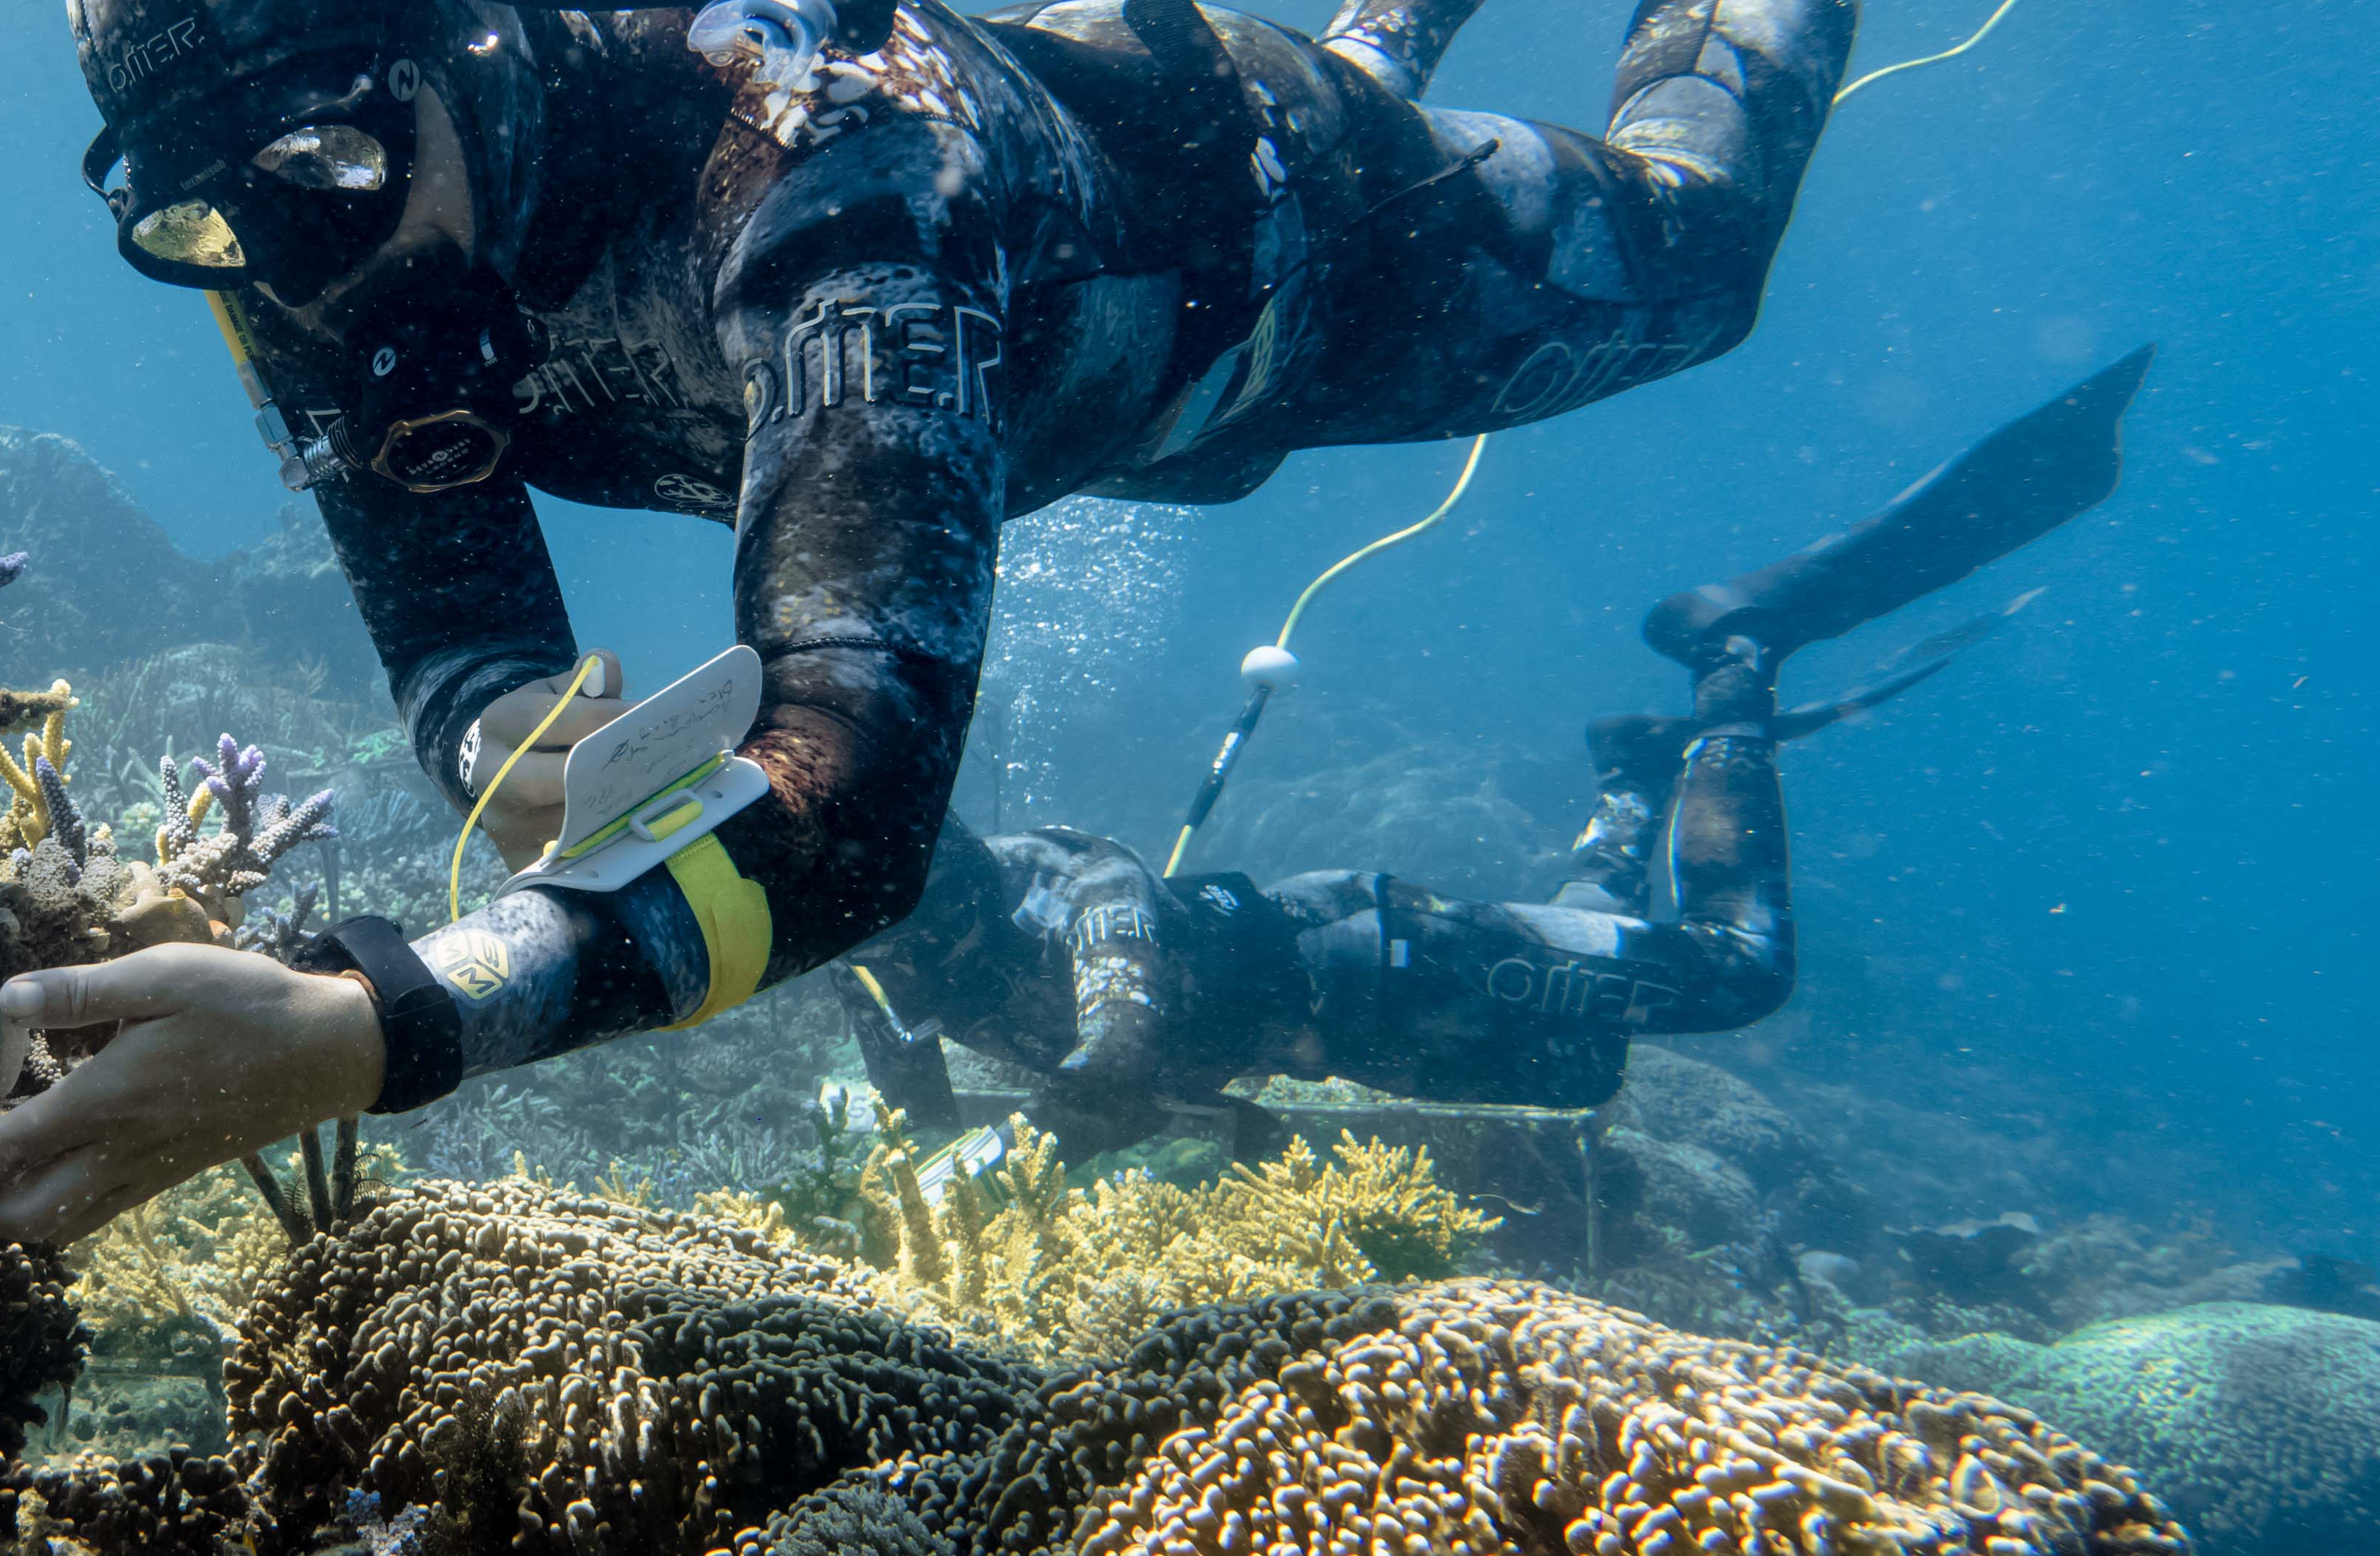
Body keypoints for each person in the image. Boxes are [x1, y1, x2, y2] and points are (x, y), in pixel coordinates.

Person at [0, 0, 2378, 1248]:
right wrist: (527, 746)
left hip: (1295, 248)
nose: (305, 263)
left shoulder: (806, 158)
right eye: (211, 217)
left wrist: (382, 1016)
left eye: (331, 174)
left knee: (1689, 254)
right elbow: (455, 614)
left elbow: (859, 807)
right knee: (1124, 412)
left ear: (461, 37)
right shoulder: (311, 254)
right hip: (1107, 348)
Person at [834, 349, 2149, 1138]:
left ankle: (1740, 652)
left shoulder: (1037, 872)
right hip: (1362, 1039)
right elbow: (915, 1092)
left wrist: (1112, 1060)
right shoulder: (865, 949)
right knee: (1586, 1068)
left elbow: (1113, 915)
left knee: (1737, 975)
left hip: (1394, 963)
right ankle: (1634, 783)